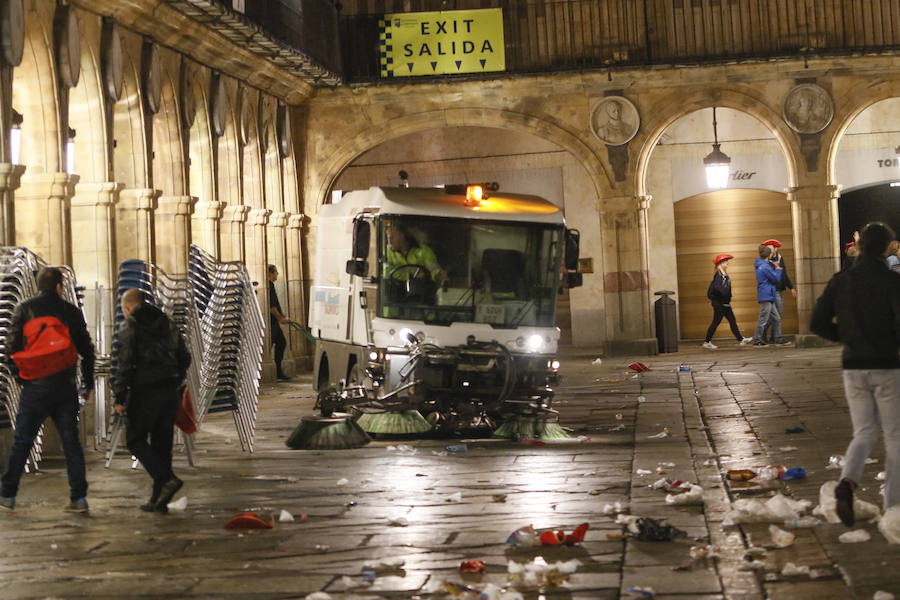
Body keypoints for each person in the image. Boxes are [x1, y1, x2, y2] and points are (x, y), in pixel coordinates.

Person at [810, 222, 900, 527]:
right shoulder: (892, 281)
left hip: (853, 365)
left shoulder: (841, 280)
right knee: (895, 436)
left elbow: (817, 322)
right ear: (887, 248)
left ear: (858, 246)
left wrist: (846, 337)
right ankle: (893, 507)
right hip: (887, 366)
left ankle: (847, 484)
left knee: (863, 433)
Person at [1, 267, 95, 513]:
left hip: (35, 387)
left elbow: (10, 349)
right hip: (65, 387)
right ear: (60, 286)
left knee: (22, 440)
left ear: (37, 286)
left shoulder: (24, 309)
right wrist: (87, 383)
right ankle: (79, 499)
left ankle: (8, 495)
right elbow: (87, 350)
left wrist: (23, 378)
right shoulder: (71, 312)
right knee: (71, 443)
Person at [113, 289, 191, 513]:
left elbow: (125, 363)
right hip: (169, 389)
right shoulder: (166, 322)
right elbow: (184, 356)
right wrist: (176, 377)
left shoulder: (130, 325)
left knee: (135, 439)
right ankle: (159, 500)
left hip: (144, 390)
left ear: (127, 308)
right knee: (162, 444)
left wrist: (119, 396)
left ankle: (166, 479)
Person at [702, 253, 753, 350]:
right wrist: (724, 294)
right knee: (716, 322)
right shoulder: (719, 276)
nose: (727, 263)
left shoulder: (723, 275)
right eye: (725, 261)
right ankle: (707, 342)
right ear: (720, 263)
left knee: (732, 321)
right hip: (720, 304)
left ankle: (741, 339)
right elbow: (718, 288)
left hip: (724, 304)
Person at [762, 239, 795, 345]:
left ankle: (768, 335)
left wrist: (791, 287)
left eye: (771, 247)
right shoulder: (766, 261)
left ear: (775, 249)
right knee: (775, 315)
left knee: (775, 314)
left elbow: (784, 274)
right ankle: (776, 337)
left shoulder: (780, 259)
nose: (770, 249)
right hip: (772, 290)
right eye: (769, 247)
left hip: (779, 290)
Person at [751, 244, 784, 347]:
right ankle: (757, 340)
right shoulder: (765, 266)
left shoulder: (761, 265)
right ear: (768, 255)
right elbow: (775, 279)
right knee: (763, 318)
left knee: (776, 318)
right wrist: (778, 270)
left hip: (767, 294)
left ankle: (778, 338)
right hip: (767, 294)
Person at [267, 265, 290, 381]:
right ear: (271, 273)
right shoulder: (268, 287)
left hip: (274, 321)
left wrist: (281, 315)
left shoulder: (271, 286)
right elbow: (271, 307)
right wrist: (280, 318)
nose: (278, 274)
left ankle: (278, 370)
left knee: (281, 342)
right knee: (272, 344)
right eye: (276, 272)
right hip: (271, 322)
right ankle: (276, 371)